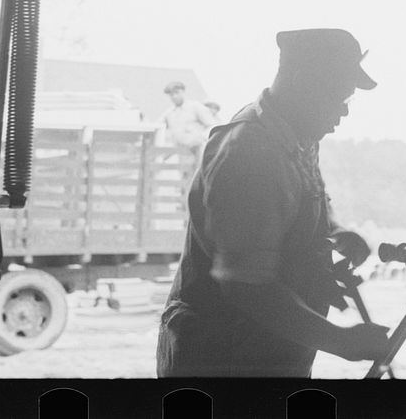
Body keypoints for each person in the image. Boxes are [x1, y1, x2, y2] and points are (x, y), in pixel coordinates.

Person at [156, 29, 389, 377]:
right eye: (337, 97)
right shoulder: (248, 153)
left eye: (347, 100)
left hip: (269, 350)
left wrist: (334, 231)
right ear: (301, 81)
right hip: (222, 359)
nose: (343, 112)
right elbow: (246, 286)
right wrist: (342, 342)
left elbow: (305, 194)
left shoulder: (297, 134)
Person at [160, 81, 218, 164]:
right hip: (180, 153)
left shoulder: (195, 107)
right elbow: (158, 128)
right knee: (184, 175)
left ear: (183, 92)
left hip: (197, 150)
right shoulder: (169, 113)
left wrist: (200, 138)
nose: (174, 96)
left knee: (198, 175)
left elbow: (212, 126)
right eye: (171, 94)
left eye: (177, 93)